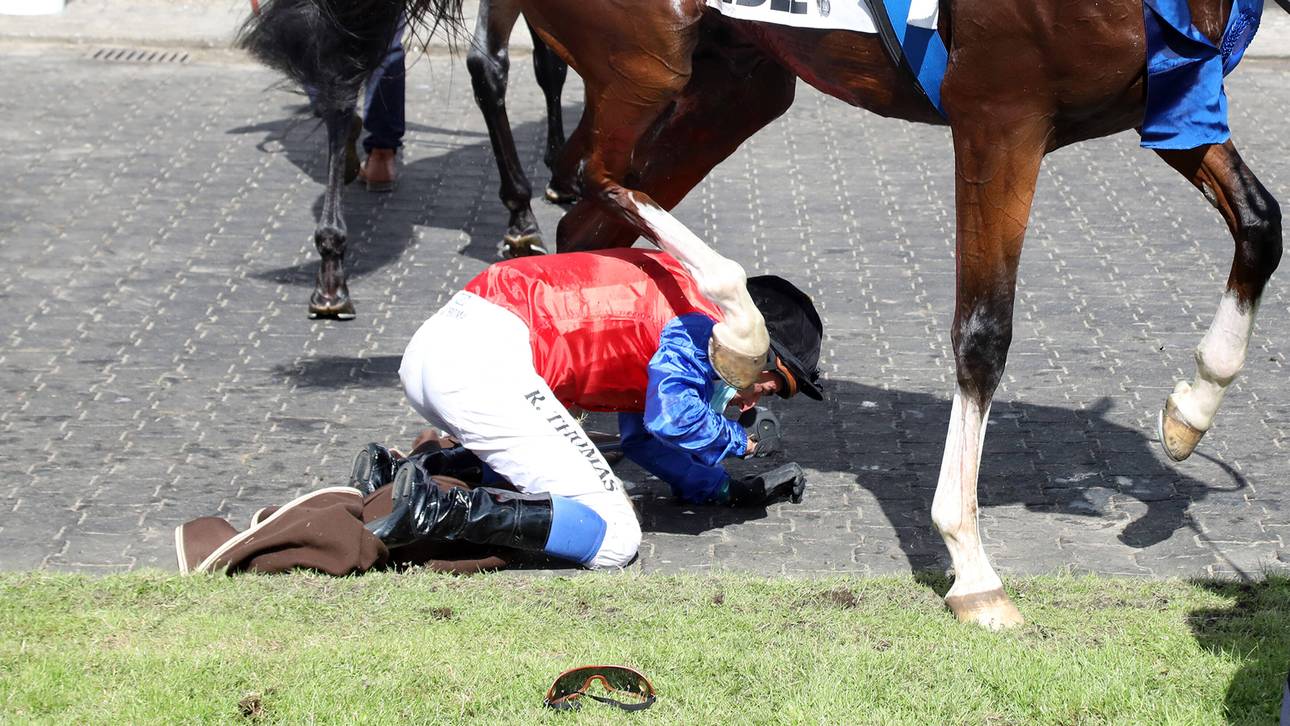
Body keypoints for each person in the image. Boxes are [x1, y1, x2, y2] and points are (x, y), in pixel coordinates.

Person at [363, 248, 825, 570]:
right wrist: (740, 442)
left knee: (557, 463)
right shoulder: (703, 326)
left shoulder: (687, 294)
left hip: (440, 345)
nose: (754, 399)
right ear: (761, 348)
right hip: (481, 367)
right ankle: (434, 507)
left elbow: (643, 436)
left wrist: (723, 489)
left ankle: (406, 471)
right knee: (616, 540)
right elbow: (674, 417)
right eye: (772, 385)